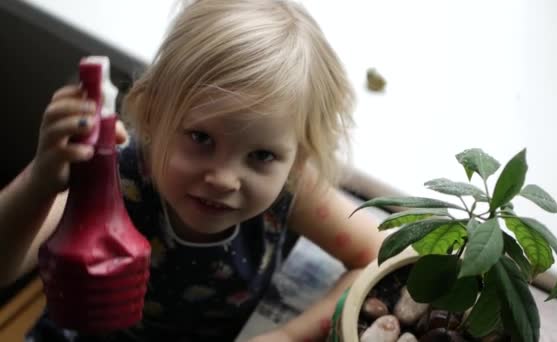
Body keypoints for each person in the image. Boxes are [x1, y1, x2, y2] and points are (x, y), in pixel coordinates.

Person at [0, 0, 384, 341]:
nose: (223, 179)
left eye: (262, 156)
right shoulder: (114, 177)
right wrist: (40, 181)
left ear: (298, 159)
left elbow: (377, 257)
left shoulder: (291, 186)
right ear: (151, 114)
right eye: (201, 138)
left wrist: (286, 335)